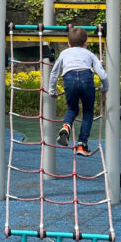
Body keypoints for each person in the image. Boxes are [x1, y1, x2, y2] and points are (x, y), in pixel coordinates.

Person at [47, 25, 109, 157]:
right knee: (88, 111)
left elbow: (54, 73)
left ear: (68, 43)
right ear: (86, 42)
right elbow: (103, 75)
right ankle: (82, 144)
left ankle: (66, 127)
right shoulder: (90, 54)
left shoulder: (64, 53)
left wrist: (51, 90)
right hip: (86, 79)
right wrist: (104, 89)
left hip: (69, 79)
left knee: (72, 109)